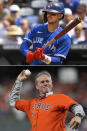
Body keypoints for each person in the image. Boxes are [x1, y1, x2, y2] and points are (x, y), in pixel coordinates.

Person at [9, 69, 85, 131]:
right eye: (42, 82)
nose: (45, 83)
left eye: (48, 81)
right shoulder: (31, 104)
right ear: (37, 86)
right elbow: (13, 102)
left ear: (51, 84)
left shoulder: (60, 98)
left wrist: (78, 115)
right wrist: (19, 81)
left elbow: (76, 106)